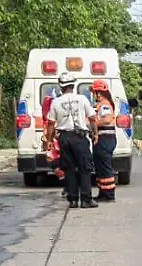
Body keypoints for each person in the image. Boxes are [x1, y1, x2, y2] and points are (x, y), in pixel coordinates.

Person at [44, 72, 98, 209]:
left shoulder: (56, 102)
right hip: (80, 137)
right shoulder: (82, 99)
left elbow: (51, 123)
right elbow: (92, 118)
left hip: (64, 138)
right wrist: (95, 133)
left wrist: (49, 140)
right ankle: (86, 199)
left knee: (68, 169)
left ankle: (73, 200)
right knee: (85, 168)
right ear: (73, 86)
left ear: (61, 88)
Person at [91, 80, 119, 202]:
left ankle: (109, 195)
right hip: (102, 139)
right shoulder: (100, 104)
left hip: (105, 139)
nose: (92, 95)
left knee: (105, 167)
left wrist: (93, 123)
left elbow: (107, 119)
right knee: (100, 167)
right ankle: (103, 192)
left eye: (94, 92)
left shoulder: (104, 105)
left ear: (99, 93)